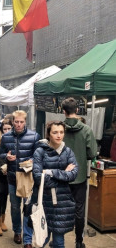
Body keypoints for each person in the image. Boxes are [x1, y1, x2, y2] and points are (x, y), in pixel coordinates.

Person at [33, 121, 79, 248]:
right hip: (44, 200)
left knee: (59, 241)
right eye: (55, 132)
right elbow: (38, 177)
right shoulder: (40, 152)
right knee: (41, 239)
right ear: (48, 134)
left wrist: (50, 172)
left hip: (63, 202)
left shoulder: (68, 151)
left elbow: (74, 174)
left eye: (61, 132)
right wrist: (63, 174)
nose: (59, 135)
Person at [0, 110, 40, 248]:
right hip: (12, 177)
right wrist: (6, 156)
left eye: (21, 122)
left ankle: (27, 238)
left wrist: (31, 160)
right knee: (15, 207)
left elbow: (39, 156)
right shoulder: (6, 137)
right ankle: (17, 231)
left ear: (25, 122)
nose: (18, 124)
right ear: (13, 121)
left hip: (28, 177)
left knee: (28, 207)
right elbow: (0, 154)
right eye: (16, 122)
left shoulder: (34, 136)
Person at [62, 97, 97, 248]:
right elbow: (92, 153)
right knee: (79, 210)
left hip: (61, 176)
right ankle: (78, 242)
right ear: (77, 110)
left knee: (59, 208)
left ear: (63, 111)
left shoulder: (58, 129)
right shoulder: (87, 130)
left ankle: (58, 239)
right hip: (79, 175)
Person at [0, 119, 12, 237]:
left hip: (10, 175)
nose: (7, 131)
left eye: (9, 128)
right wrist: (0, 168)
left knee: (5, 198)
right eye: (5, 129)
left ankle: (3, 221)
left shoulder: (14, 141)